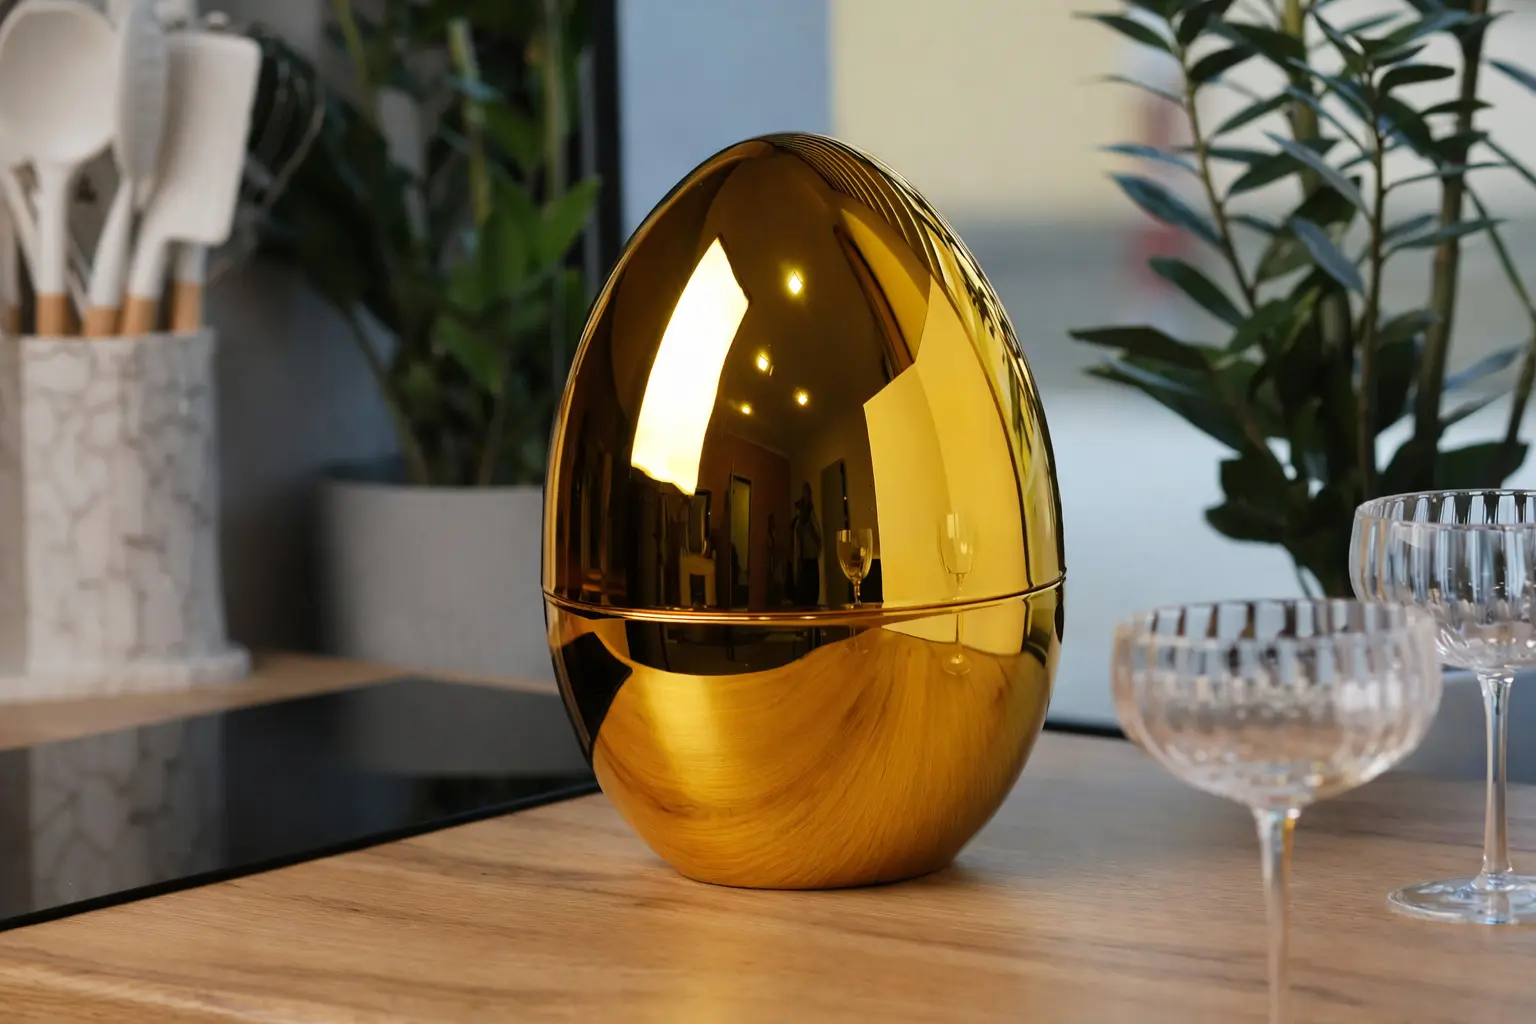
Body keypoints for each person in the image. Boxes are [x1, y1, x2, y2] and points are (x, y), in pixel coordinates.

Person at [791, 482, 821, 606]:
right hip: (803, 558)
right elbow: (797, 534)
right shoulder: (799, 517)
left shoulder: (811, 515)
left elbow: (817, 536)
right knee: (803, 591)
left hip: (811, 557)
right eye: (805, 492)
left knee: (812, 592)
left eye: (808, 492)